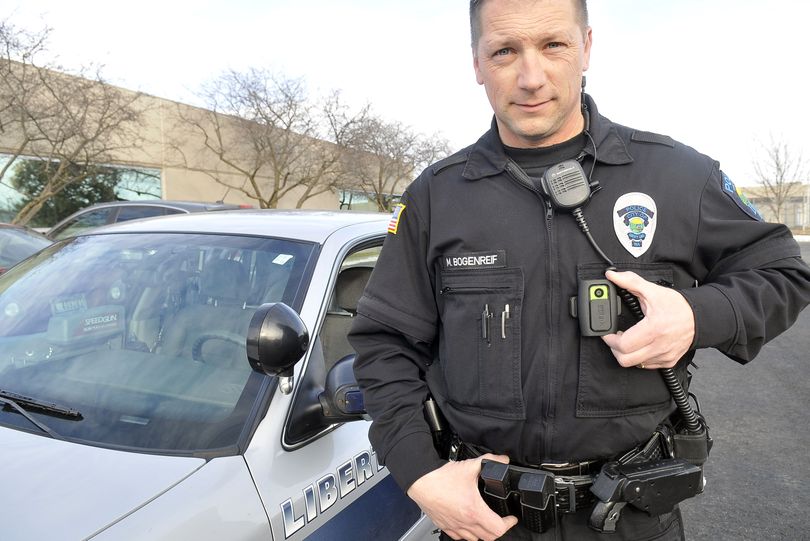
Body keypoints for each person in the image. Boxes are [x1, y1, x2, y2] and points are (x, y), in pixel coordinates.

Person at [348, 1, 810, 539]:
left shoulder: (678, 176)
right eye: (503, 51)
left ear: (586, 46)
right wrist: (421, 475)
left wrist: (694, 315)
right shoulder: (436, 196)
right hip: (487, 518)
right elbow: (385, 344)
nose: (530, 77)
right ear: (476, 63)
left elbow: (782, 271)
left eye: (553, 45)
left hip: (630, 516)